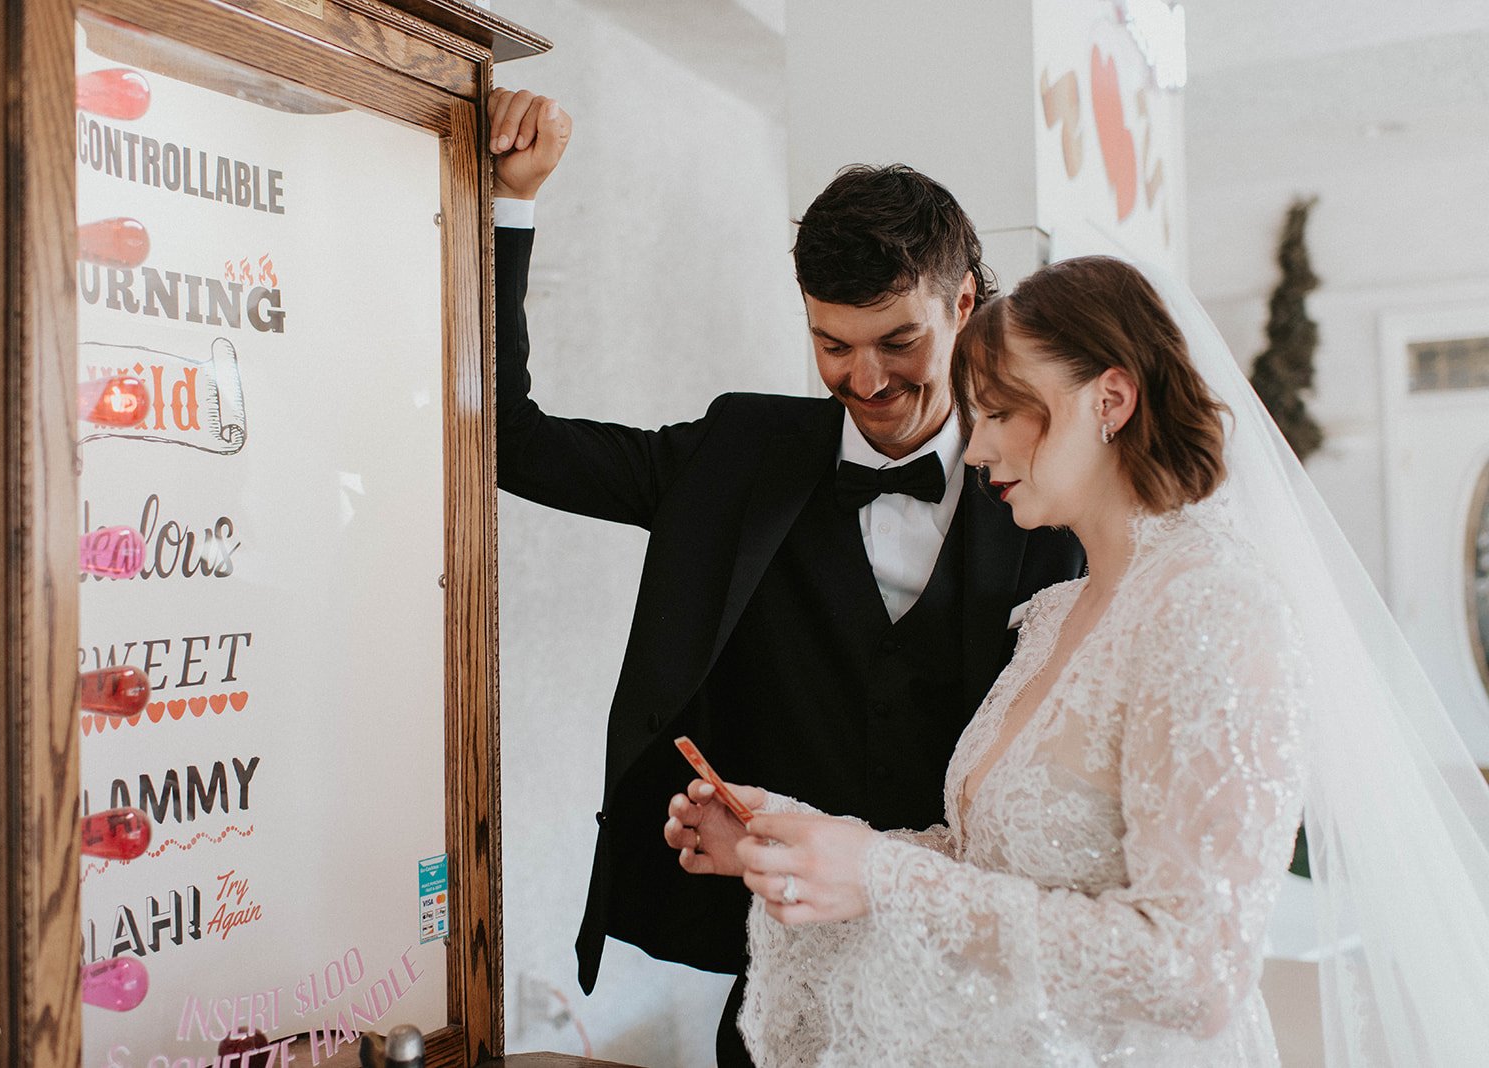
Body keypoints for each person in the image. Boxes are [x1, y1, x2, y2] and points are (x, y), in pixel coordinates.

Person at [667, 254, 1489, 1066]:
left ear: (1111, 399)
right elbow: (986, 865)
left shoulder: (1214, 608)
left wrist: (880, 877)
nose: (976, 449)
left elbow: (1193, 972)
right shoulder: (1060, 612)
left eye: (998, 414)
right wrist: (798, 841)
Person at [488, 87, 1083, 1065]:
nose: (866, 380)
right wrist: (513, 203)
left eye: (899, 342)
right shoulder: (737, 453)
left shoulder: (1048, 491)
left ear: (965, 303)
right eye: (831, 345)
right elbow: (512, 441)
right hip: (780, 992)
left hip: (986, 995)